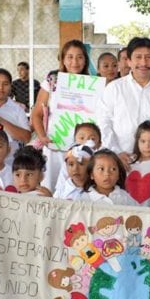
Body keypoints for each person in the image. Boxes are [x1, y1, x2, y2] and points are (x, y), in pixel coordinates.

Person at [97, 37, 150, 168]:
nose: (143, 62)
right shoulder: (114, 88)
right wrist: (116, 152)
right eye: (138, 57)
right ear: (129, 61)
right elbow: (104, 122)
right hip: (121, 162)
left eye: (148, 57)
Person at [30, 40, 91, 191]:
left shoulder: (92, 84)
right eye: (70, 57)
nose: (74, 62)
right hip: (55, 146)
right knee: (50, 191)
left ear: (85, 60)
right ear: (62, 59)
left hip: (82, 149)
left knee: (78, 191)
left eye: (79, 57)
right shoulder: (53, 80)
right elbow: (36, 114)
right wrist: (42, 136)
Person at [126, 120, 150, 206]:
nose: (147, 146)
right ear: (137, 141)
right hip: (128, 212)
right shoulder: (129, 163)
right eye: (143, 141)